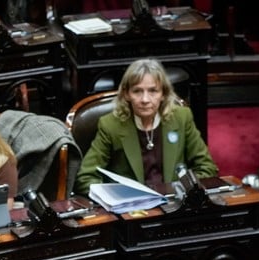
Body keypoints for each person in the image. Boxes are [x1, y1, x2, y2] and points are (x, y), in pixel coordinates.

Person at [74, 58, 218, 194]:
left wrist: (181, 190)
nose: (145, 99)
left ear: (163, 94)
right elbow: (86, 177)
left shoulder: (181, 117)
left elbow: (206, 167)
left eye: (153, 91)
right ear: (127, 94)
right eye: (137, 91)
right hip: (132, 206)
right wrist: (113, 198)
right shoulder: (111, 125)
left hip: (175, 202)